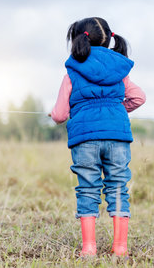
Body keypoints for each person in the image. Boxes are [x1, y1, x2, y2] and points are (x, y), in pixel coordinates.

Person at [50, 17, 146, 257]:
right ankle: (120, 248)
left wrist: (57, 114)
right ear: (108, 39)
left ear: (79, 40)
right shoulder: (120, 71)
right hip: (117, 135)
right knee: (118, 188)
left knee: (87, 189)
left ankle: (89, 249)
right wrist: (115, 110)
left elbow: (60, 114)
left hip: (85, 139)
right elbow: (139, 97)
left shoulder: (72, 72)